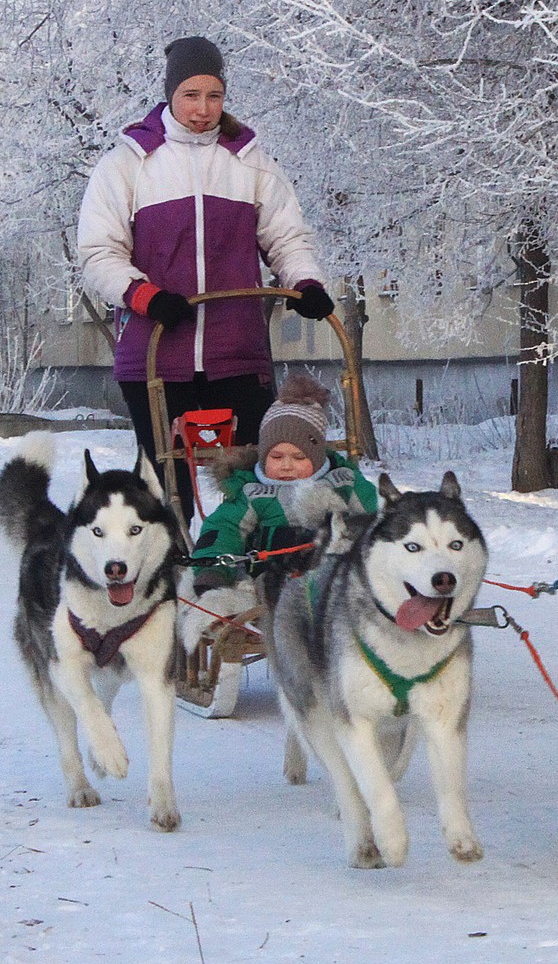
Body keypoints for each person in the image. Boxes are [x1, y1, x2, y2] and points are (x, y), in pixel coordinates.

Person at [77, 35, 335, 518]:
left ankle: (252, 575)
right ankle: (171, 574)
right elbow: (98, 253)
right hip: (156, 353)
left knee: (251, 479)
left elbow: (286, 237)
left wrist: (306, 283)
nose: (202, 109)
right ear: (170, 95)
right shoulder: (129, 163)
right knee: (164, 484)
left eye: (213, 96)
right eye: (190, 96)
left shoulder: (249, 160)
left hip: (235, 352)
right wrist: (145, 297)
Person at [190, 374, 378, 593]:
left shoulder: (343, 482)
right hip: (269, 580)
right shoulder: (253, 492)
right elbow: (224, 529)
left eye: (299, 458)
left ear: (317, 457)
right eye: (276, 457)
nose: (287, 466)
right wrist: (213, 569)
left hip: (334, 580)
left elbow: (378, 515)